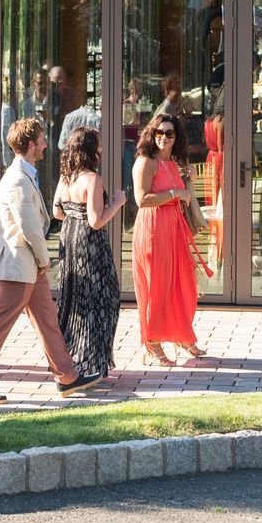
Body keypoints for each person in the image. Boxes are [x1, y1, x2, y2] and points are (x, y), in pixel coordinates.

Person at [0, 118, 100, 402]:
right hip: (19, 265)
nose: (47, 144)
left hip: (28, 267)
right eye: (42, 139)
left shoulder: (24, 175)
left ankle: (67, 376)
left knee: (48, 322)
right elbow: (29, 227)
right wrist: (44, 258)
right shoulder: (17, 179)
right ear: (30, 144)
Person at [130, 113, 205, 367]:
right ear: (152, 134)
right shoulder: (146, 161)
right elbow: (141, 200)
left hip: (173, 229)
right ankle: (152, 344)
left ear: (177, 138)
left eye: (169, 134)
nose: (163, 138)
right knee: (157, 289)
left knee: (183, 285)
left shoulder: (173, 161)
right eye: (158, 133)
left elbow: (182, 195)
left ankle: (182, 335)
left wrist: (188, 181)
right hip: (153, 229)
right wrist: (175, 192)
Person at [55, 125, 125, 381]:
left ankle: (70, 358)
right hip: (89, 243)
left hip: (68, 239)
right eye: (98, 144)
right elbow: (96, 220)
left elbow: (57, 212)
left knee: (73, 298)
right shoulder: (92, 179)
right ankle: (93, 360)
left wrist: (75, 214)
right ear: (89, 149)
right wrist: (116, 203)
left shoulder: (66, 176)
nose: (102, 149)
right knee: (103, 299)